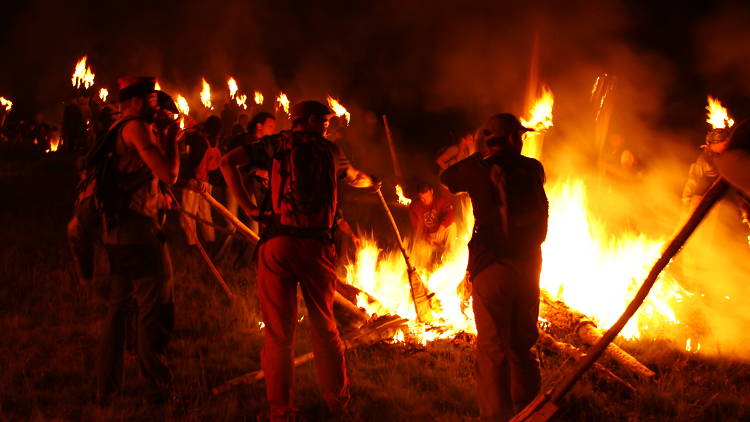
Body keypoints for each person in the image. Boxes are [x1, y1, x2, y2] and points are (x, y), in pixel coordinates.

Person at [221, 100, 379, 421]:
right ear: (306, 120)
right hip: (316, 247)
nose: (325, 125)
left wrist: (250, 207)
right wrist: (372, 182)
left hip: (277, 243)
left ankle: (282, 412)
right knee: (325, 327)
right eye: (322, 121)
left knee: (279, 334)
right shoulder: (331, 151)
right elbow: (355, 177)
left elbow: (227, 162)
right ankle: (338, 402)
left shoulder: (276, 144)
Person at [440, 113, 548, 421]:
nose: (523, 140)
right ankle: (529, 411)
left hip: (491, 269)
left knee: (492, 350)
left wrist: (478, 150)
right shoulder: (533, 168)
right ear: (513, 138)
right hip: (527, 268)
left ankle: (496, 416)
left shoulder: (478, 168)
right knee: (522, 345)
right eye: (520, 136)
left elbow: (447, 179)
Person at [96, 76, 179, 405]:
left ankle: (107, 389)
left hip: (116, 231)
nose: (156, 105)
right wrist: (171, 139)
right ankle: (157, 386)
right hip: (138, 233)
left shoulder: (117, 128)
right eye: (150, 100)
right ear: (133, 101)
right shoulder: (136, 128)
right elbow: (168, 173)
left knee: (117, 310)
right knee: (153, 307)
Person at [179, 116, 222, 247]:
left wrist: (191, 127)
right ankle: (210, 241)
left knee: (188, 214)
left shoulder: (199, 140)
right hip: (207, 182)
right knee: (205, 214)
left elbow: (190, 157)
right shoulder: (216, 142)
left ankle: (192, 243)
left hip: (195, 182)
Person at [408, 182, 455, 266]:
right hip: (429, 237)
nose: (425, 201)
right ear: (418, 196)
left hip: (442, 232)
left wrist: (442, 228)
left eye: (427, 197)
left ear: (432, 192)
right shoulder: (414, 207)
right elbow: (417, 228)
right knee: (418, 249)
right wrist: (427, 238)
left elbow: (450, 214)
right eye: (422, 198)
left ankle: (451, 261)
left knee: (452, 227)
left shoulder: (441, 201)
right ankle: (425, 270)